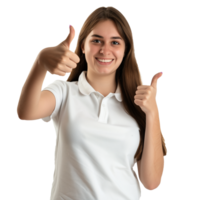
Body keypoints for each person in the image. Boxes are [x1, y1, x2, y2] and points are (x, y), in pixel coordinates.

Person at [16, 6, 168, 200]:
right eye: (96, 40)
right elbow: (25, 112)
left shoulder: (139, 103)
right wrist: (40, 63)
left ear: (126, 49)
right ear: (82, 45)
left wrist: (153, 113)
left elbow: (152, 182)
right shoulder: (64, 92)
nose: (105, 50)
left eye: (115, 42)